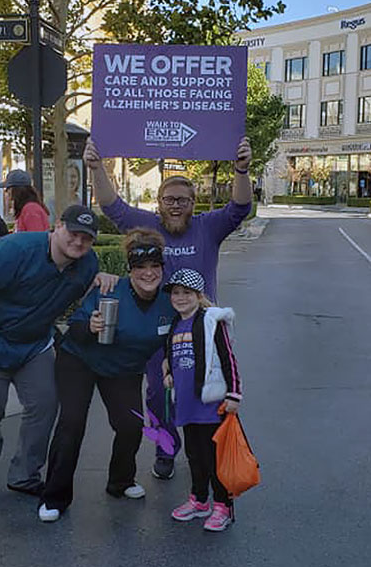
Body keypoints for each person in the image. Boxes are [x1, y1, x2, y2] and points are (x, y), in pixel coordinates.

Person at [83, 137, 252, 480]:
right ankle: (166, 448)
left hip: (201, 329)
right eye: (169, 199)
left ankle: (209, 449)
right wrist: (97, 167)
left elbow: (239, 207)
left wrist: (241, 169)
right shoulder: (148, 226)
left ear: (194, 203)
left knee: (207, 391)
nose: (176, 206)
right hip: (157, 328)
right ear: (159, 203)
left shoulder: (209, 227)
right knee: (160, 394)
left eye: (183, 200)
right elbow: (111, 206)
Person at [0, 205, 103, 507]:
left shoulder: (87, 264)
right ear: (57, 226)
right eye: (73, 233)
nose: (78, 242)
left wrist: (106, 278)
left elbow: (86, 291)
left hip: (35, 344)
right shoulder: (15, 248)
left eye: (86, 238)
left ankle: (24, 475)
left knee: (45, 404)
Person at [38, 228, 176, 522]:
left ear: (163, 268)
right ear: (130, 270)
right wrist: (90, 326)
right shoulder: (110, 289)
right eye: (140, 268)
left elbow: (182, 333)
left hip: (124, 369)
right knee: (72, 423)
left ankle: (120, 481)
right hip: (80, 360)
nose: (148, 274)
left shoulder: (169, 302)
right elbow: (73, 327)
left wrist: (171, 365)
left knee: (130, 426)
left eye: (154, 267)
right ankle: (54, 497)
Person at [162, 268, 242, 532]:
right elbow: (175, 358)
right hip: (186, 404)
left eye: (187, 293)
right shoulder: (175, 324)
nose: (181, 298)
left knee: (214, 458)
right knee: (194, 455)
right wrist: (170, 374)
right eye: (176, 293)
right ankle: (199, 500)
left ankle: (222, 506)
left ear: (199, 295)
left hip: (210, 405)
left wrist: (233, 393)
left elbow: (228, 357)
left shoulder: (210, 320)